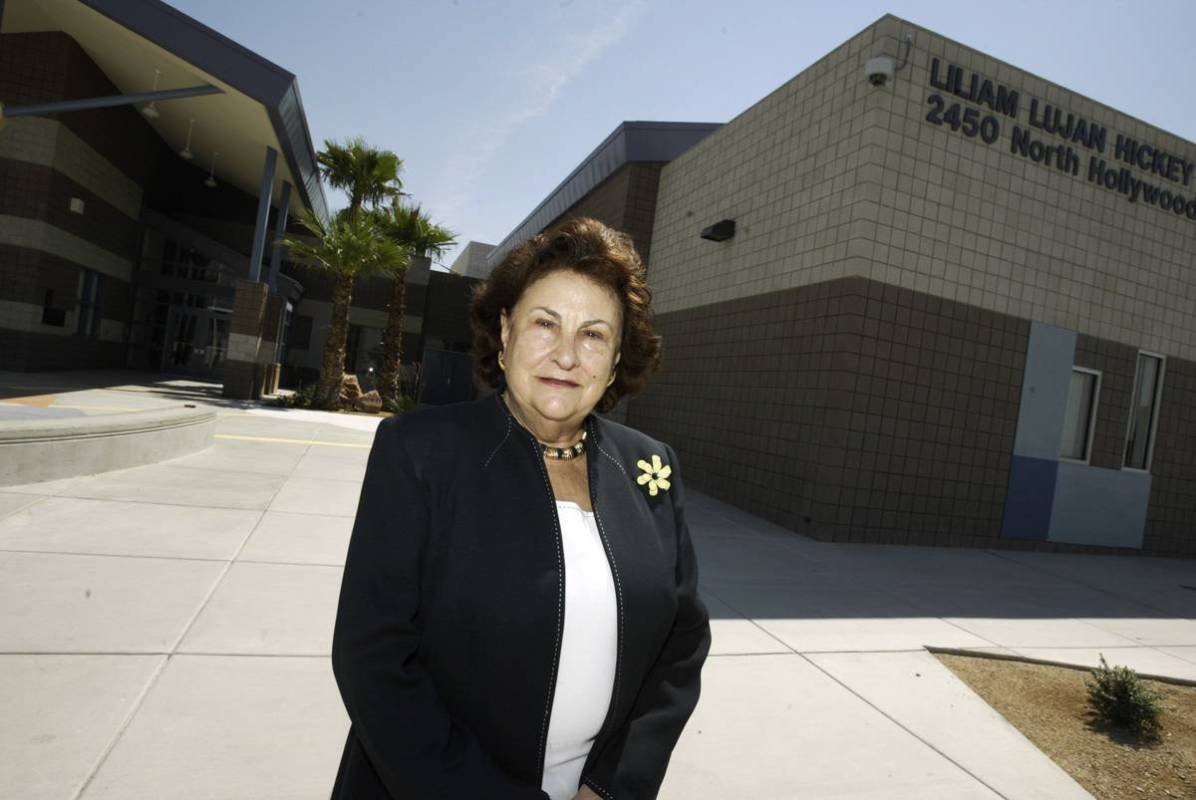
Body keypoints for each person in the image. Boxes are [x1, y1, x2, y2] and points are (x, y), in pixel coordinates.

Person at [329, 216, 711, 799]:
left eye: (593, 334)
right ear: (505, 332)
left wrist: (610, 786)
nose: (566, 354)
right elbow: (373, 657)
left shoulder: (650, 466)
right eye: (544, 323)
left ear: (613, 360)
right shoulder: (419, 451)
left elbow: (679, 646)